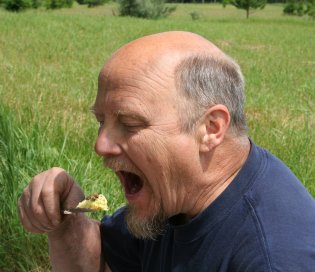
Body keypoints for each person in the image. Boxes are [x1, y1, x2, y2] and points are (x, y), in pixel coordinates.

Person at [18, 31, 315, 272]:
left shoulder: (273, 258)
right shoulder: (176, 196)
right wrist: (67, 220)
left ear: (211, 128)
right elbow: (102, 263)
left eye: (130, 123)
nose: (100, 146)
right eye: (101, 121)